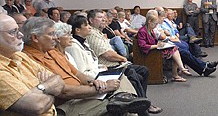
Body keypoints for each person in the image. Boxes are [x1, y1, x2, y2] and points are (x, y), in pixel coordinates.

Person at [21, 17, 152, 115]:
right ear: (35, 38)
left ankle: (123, 99)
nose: (56, 38)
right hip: (69, 103)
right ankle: (125, 102)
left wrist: (94, 81)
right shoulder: (29, 60)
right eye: (51, 34)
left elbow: (77, 74)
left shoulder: (53, 52)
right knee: (122, 107)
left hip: (84, 93)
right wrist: (99, 90)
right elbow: (63, 91)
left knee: (122, 80)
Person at [65, 15, 163, 114]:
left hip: (101, 70)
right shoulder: (74, 46)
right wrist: (102, 69)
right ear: (77, 30)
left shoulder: (84, 42)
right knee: (130, 75)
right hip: (96, 78)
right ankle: (141, 106)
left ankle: (138, 102)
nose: (89, 27)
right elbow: (83, 73)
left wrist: (100, 67)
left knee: (137, 73)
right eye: (86, 25)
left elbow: (92, 62)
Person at [85, 9, 154, 108]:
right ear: (91, 20)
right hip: (108, 67)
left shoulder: (100, 33)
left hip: (115, 64)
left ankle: (143, 100)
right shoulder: (92, 34)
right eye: (100, 17)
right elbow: (107, 54)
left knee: (144, 70)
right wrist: (123, 58)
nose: (104, 19)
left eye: (104, 17)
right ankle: (143, 104)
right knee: (133, 74)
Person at [0, 13, 65, 115]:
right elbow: (37, 106)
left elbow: (58, 80)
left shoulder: (20, 56)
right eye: (13, 32)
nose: (21, 35)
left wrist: (40, 89)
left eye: (18, 30)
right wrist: (46, 87)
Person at [147, 9, 218, 76]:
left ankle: (204, 66)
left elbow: (166, 34)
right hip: (161, 46)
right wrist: (163, 33)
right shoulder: (151, 27)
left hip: (166, 44)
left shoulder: (154, 26)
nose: (160, 19)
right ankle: (203, 66)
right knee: (184, 51)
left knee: (186, 46)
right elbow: (162, 36)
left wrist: (164, 33)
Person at [138, 13, 190, 82]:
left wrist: (160, 43)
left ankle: (180, 70)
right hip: (150, 52)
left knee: (175, 48)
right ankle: (178, 72)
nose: (156, 26)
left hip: (155, 49)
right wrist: (157, 45)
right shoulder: (142, 31)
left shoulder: (150, 30)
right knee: (174, 51)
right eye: (155, 24)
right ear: (149, 21)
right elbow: (143, 46)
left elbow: (155, 40)